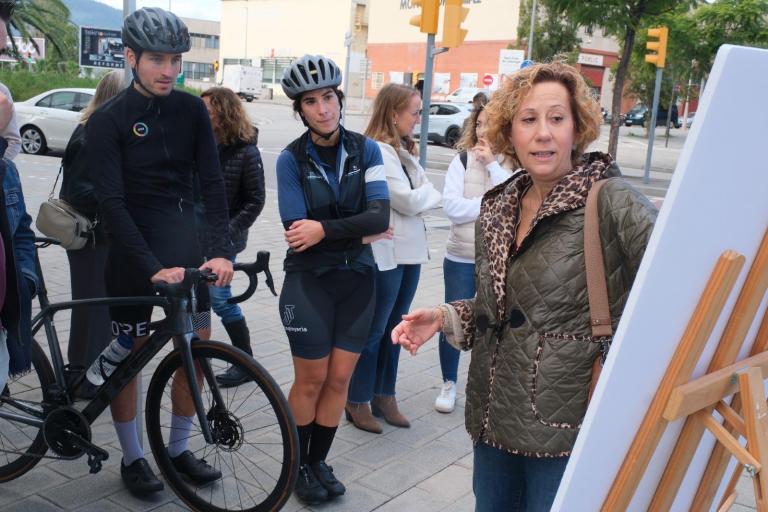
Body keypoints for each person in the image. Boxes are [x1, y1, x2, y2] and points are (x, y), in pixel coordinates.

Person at [390, 61, 657, 511]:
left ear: (578, 127)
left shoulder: (608, 198)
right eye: (528, 120)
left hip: (567, 424)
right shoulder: (498, 206)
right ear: (509, 133)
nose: (543, 133)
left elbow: (679, 278)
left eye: (557, 118)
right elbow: (501, 308)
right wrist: (442, 318)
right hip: (493, 416)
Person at [88, 8, 234, 496]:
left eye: (175, 60)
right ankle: (132, 458)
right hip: (133, 260)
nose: (169, 70)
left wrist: (220, 251)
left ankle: (177, 449)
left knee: (194, 350)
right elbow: (111, 205)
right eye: (157, 59)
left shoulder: (192, 111)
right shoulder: (109, 120)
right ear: (131, 57)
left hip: (187, 256)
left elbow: (212, 185)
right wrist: (152, 268)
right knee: (128, 359)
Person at [276, 54, 390, 503]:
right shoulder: (290, 160)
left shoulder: (368, 150)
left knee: (339, 381)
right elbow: (296, 232)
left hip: (359, 282)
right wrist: (358, 231)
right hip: (309, 283)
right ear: (300, 110)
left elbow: (380, 214)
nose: (323, 109)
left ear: (338, 99)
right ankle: (294, 465)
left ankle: (316, 461)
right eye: (311, 101)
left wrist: (326, 228)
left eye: (328, 97)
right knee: (311, 379)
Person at [346, 83, 441, 433]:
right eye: (414, 112)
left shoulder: (402, 150)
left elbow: (419, 195)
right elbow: (408, 201)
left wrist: (423, 194)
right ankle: (357, 400)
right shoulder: (378, 150)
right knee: (375, 330)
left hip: (410, 253)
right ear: (393, 113)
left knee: (397, 330)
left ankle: (384, 395)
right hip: (388, 254)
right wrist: (427, 193)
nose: (418, 119)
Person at [434, 93, 516, 414]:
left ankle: (485, 386)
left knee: (492, 325)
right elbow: (452, 208)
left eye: (489, 125)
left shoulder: (511, 164)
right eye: (478, 124)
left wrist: (493, 166)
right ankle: (448, 383)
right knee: (451, 320)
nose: (482, 132)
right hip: (460, 257)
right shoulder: (462, 161)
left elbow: (513, 202)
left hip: (499, 263)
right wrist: (490, 206)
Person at [60, 70, 124, 399]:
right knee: (94, 309)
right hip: (91, 238)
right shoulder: (91, 134)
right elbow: (79, 192)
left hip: (97, 237)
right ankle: (87, 381)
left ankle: (80, 373)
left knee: (92, 308)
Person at [197, 86, 265, 386]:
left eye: (207, 111)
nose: (201, 116)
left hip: (223, 243)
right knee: (198, 299)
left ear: (223, 115)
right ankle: (196, 352)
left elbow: (255, 200)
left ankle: (245, 361)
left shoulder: (246, 151)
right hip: (193, 237)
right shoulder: (199, 145)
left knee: (219, 300)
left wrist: (226, 233)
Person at [0, 0, 34, 394]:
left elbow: (19, 228)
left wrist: (24, 280)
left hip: (196, 286)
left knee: (199, 329)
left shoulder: (6, 174)